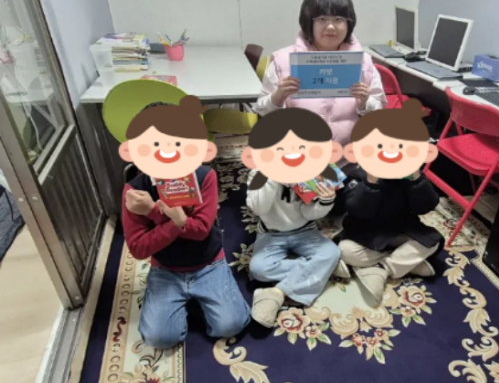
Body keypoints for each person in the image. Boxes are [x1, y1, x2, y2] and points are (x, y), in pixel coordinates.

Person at [120, 97, 250, 349]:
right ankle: (181, 302)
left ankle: (207, 296)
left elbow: (201, 231)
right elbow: (138, 248)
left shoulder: (204, 175)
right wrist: (173, 220)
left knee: (231, 325)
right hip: (166, 268)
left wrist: (155, 213)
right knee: (159, 338)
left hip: (209, 262)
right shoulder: (135, 190)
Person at [254, 0, 387, 214]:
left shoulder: (363, 62)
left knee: (359, 205)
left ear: (349, 23)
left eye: (339, 19)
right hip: (299, 158)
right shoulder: (284, 61)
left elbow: (379, 111)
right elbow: (262, 111)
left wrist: (365, 103)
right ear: (309, 23)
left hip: (347, 161)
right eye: (322, 19)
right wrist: (277, 97)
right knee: (292, 211)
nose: (331, 26)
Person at [241, 107, 343, 328]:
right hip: (271, 233)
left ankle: (277, 293)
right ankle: (322, 268)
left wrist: (325, 201)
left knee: (331, 252)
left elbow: (309, 213)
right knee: (259, 270)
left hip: (305, 230)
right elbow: (258, 208)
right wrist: (271, 174)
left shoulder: (311, 173)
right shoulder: (258, 174)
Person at [335, 99, 444, 303]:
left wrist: (416, 179)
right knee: (345, 251)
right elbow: (356, 209)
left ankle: (383, 268)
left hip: (402, 228)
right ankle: (405, 263)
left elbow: (427, 205)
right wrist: (371, 183)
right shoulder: (359, 175)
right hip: (366, 232)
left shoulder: (411, 176)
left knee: (433, 243)